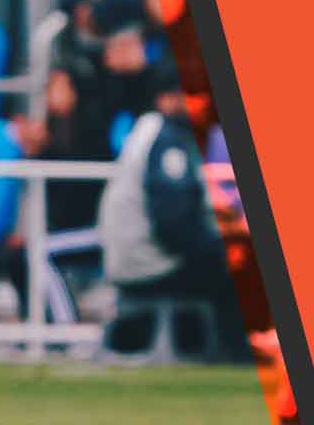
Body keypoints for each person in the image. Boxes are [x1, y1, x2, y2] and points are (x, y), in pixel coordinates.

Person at [97, 59, 249, 360]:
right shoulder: (166, 142)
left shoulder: (151, 131)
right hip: (150, 263)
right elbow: (174, 228)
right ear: (165, 98)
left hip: (135, 258)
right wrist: (223, 241)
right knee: (241, 263)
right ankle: (234, 354)